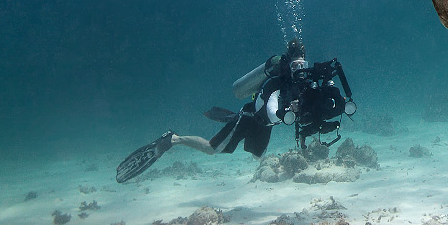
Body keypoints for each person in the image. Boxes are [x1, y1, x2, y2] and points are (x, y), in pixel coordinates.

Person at [116, 39, 355, 183]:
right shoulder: (275, 83)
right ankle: (173, 139)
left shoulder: (304, 83)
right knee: (213, 149)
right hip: (254, 118)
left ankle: (230, 117)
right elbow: (271, 110)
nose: (300, 70)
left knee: (257, 156)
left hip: (266, 125)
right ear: (287, 65)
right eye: (295, 65)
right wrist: (284, 114)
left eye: (303, 64)